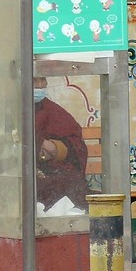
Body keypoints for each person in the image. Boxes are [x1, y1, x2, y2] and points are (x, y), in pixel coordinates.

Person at [33, 76, 89, 213]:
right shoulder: (10, 108)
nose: (40, 85)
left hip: (51, 171)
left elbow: (77, 144)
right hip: (24, 174)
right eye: (34, 80)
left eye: (43, 80)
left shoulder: (51, 109)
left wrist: (55, 148)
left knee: (72, 181)